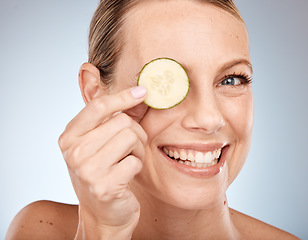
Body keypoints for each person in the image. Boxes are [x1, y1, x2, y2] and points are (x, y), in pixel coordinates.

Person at [5, 0, 300, 239]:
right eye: (167, 79)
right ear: (95, 92)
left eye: (232, 79)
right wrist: (102, 232)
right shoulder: (40, 230)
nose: (209, 118)